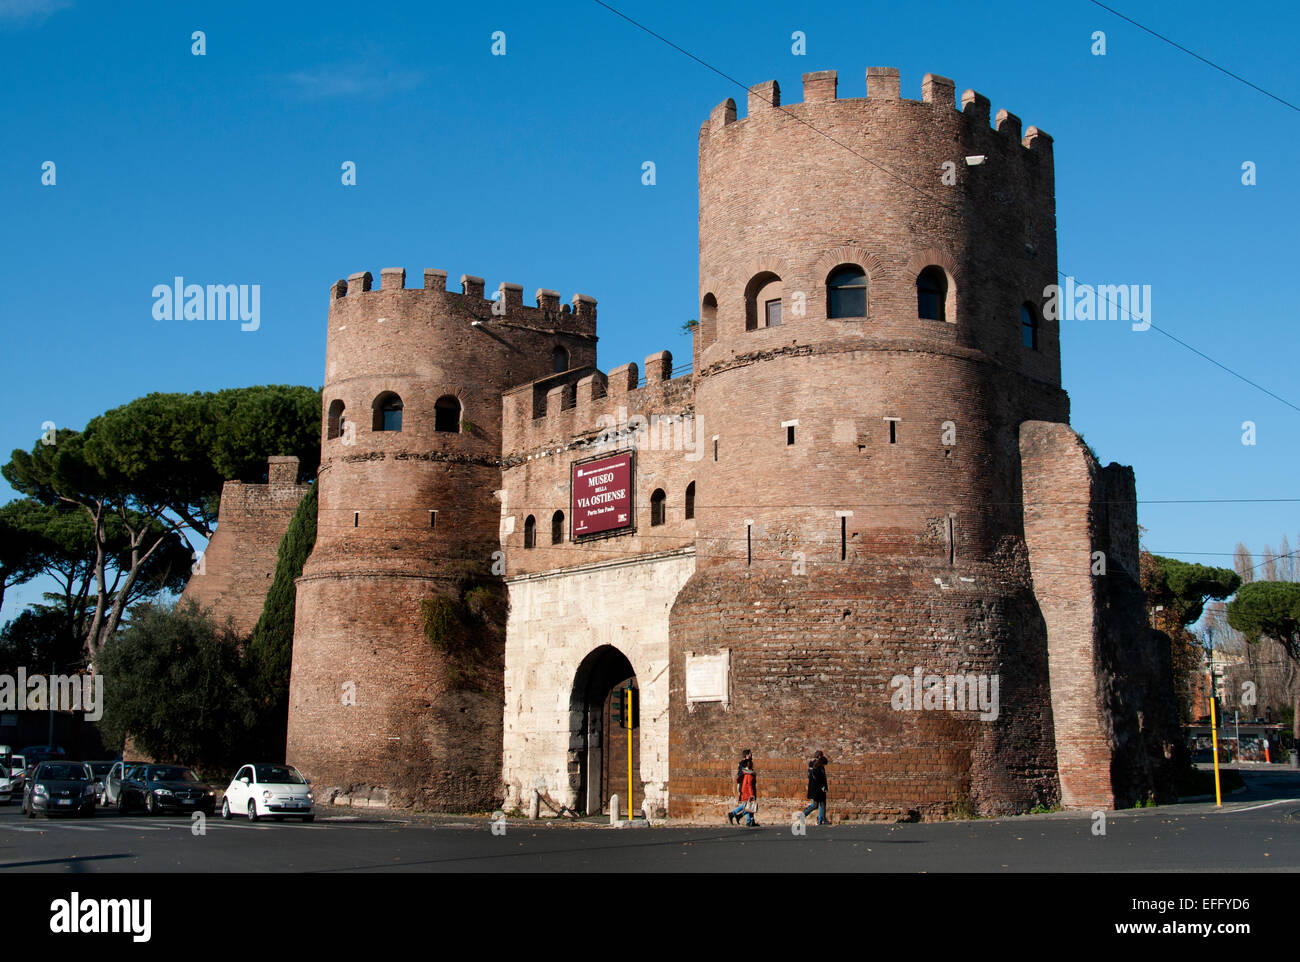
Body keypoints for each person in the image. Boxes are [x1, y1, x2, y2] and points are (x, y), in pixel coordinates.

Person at [727, 749, 759, 826]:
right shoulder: (746, 768)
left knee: (749, 805)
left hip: (744, 787)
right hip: (745, 789)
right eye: (750, 754)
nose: (751, 756)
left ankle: (750, 821)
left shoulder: (745, 767)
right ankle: (734, 814)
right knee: (747, 805)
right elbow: (748, 784)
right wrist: (751, 794)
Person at [802, 750, 829, 825]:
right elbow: (820, 777)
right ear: (819, 756)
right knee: (820, 803)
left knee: (817, 804)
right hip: (818, 788)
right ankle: (822, 819)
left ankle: (804, 815)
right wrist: (823, 787)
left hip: (814, 788)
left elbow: (810, 776)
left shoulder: (811, 764)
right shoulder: (818, 765)